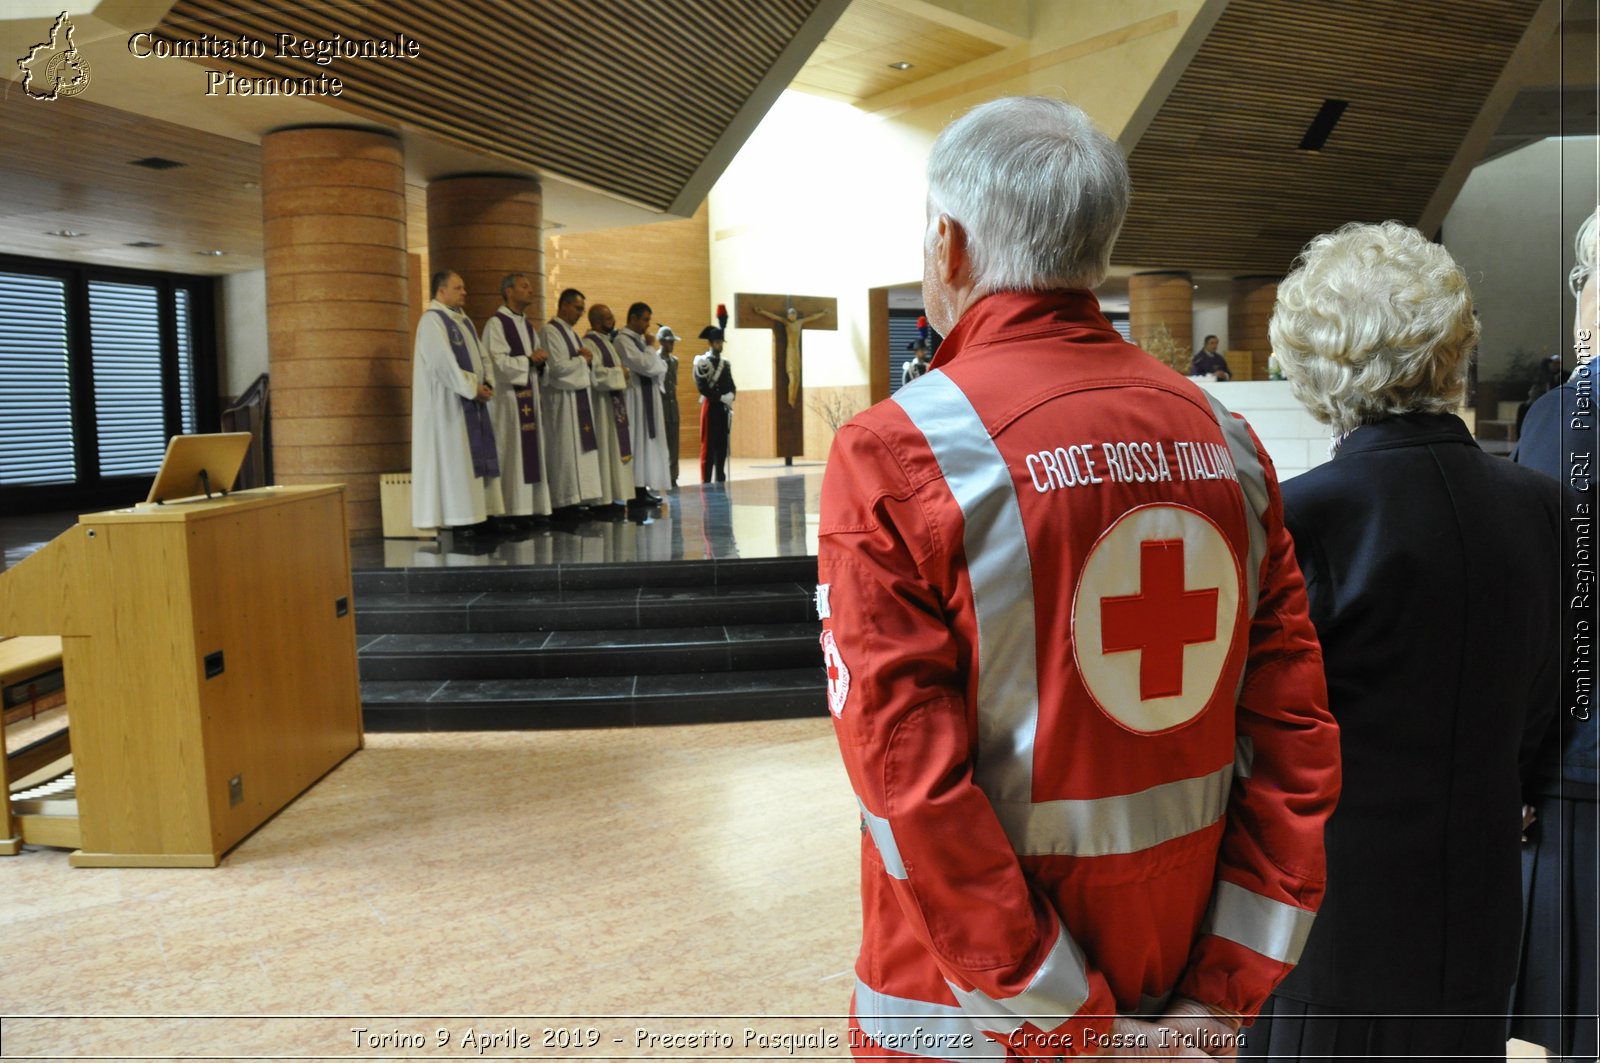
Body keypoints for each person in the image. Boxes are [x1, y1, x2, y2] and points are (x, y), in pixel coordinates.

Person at [817, 95, 1341, 1061]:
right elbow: (1295, 741)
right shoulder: (1224, 442)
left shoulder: (896, 453)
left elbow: (908, 786)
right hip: (1182, 997)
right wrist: (1210, 1007)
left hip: (972, 1021)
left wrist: (1079, 1024)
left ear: (950, 244)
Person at [1242, 221, 1562, 1062]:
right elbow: (1544, 704)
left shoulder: (1300, 519)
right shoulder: (1543, 509)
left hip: (1331, 930)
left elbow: (1260, 735)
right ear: (1454, 345)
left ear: (1314, 360)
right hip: (1480, 919)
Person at [1510, 208, 1599, 1063]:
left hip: (1581, 772)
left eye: (1583, 277)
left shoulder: (1567, 420)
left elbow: (1546, 611)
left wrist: (1519, 763)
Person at [410, 269, 503, 533]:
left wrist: (487, 384)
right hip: (448, 406)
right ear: (441, 291)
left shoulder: (464, 321)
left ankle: (480, 514)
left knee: (472, 456)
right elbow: (442, 364)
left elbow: (483, 357)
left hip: (471, 400)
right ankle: (461, 519)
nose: (465, 292)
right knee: (456, 459)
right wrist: (473, 388)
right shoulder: (431, 321)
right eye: (458, 287)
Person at [481, 272, 552, 520]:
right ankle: (507, 512)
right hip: (507, 402)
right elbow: (496, 363)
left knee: (527, 453)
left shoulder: (527, 325)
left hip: (527, 397)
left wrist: (541, 363)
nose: (530, 291)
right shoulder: (497, 324)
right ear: (509, 291)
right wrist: (528, 360)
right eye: (524, 286)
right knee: (509, 452)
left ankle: (528, 508)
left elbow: (536, 361)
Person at [538, 287, 603, 519]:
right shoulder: (550, 331)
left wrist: (588, 361)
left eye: (582, 310)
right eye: (577, 309)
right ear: (563, 304)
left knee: (579, 451)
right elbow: (556, 368)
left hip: (578, 401)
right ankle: (563, 501)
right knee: (564, 450)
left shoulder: (573, 334)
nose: (579, 314)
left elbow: (581, 364)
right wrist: (583, 360)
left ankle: (578, 499)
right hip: (561, 403)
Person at [615, 302, 668, 507]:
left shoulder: (639, 341)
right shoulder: (623, 340)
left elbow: (661, 367)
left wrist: (651, 358)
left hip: (648, 397)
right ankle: (634, 491)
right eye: (645, 319)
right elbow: (647, 365)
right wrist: (650, 348)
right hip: (634, 398)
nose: (647, 325)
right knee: (637, 440)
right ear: (633, 318)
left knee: (646, 442)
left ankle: (642, 488)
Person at [583, 303, 631, 513]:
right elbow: (597, 375)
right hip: (600, 407)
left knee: (614, 449)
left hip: (614, 405)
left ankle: (615, 496)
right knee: (605, 448)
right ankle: (603, 500)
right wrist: (620, 374)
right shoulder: (589, 343)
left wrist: (621, 373)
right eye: (609, 317)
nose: (613, 321)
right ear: (596, 321)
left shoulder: (606, 342)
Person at [755, 303, 827, 405]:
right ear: (788, 315)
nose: (793, 315)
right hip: (790, 352)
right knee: (792, 378)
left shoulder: (800, 322)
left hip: (797, 353)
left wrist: (823, 313)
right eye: (791, 314)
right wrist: (762, 311)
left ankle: (794, 398)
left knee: (797, 379)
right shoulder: (786, 323)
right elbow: (774, 317)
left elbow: (812, 317)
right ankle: (790, 399)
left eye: (794, 313)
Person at [694, 326, 735, 483]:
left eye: (721, 342)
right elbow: (702, 387)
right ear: (710, 343)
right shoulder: (702, 363)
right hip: (710, 407)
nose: (720, 345)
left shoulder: (725, 364)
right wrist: (720, 397)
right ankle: (706, 480)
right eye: (717, 342)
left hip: (722, 410)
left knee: (721, 445)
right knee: (708, 446)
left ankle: (720, 477)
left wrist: (731, 394)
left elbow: (731, 384)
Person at [656, 325, 682, 488]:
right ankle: (659, 477)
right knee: (660, 445)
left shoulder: (675, 361)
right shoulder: (655, 359)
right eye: (668, 341)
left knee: (673, 444)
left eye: (672, 341)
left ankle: (673, 476)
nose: (672, 344)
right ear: (661, 342)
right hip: (661, 406)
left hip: (673, 407)